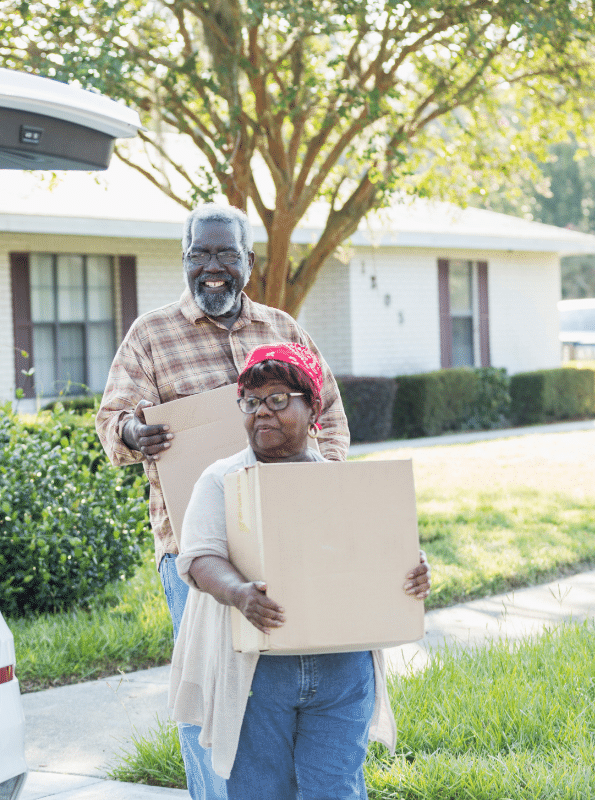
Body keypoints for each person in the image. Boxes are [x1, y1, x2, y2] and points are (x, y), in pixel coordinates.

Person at [95, 203, 350, 798]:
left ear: (248, 263)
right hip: (194, 542)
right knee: (212, 687)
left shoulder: (284, 330)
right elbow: (111, 419)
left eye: (225, 254)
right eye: (200, 254)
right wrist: (134, 433)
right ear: (185, 260)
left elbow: (331, 416)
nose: (213, 267)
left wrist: (323, 483)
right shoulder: (150, 334)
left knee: (284, 677)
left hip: (290, 535)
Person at [169, 343, 431, 799]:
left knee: (337, 790)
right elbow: (199, 558)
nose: (261, 413)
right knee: (260, 791)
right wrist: (240, 593)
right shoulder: (220, 480)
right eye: (250, 403)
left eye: (277, 399)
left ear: (313, 409)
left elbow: (379, 554)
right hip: (256, 673)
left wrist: (412, 570)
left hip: (342, 671)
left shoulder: (343, 482)